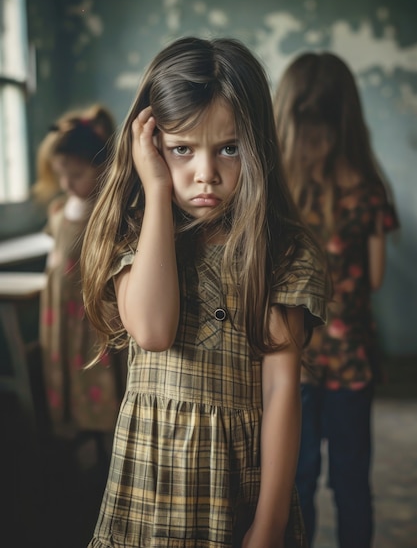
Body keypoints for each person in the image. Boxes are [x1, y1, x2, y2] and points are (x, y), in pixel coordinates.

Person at [81, 37, 329, 548]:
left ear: (256, 145)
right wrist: (154, 192)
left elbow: (283, 391)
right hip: (149, 489)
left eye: (229, 148)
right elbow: (152, 330)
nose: (205, 173)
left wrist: (269, 525)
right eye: (182, 150)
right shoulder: (135, 234)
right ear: (151, 147)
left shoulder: (280, 250)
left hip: (239, 486)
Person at [273, 51, 399, 548]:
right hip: (353, 361)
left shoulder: (276, 189)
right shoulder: (367, 188)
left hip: (290, 361)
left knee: (295, 483)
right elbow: (375, 276)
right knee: (351, 485)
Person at [33, 104, 125, 463]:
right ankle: (78, 434)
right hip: (60, 314)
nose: (69, 183)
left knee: (96, 373)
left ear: (101, 167)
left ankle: (106, 439)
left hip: (93, 313)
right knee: (66, 370)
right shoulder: (59, 211)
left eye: (77, 173)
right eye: (62, 175)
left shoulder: (105, 211)